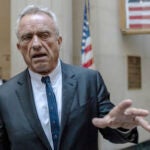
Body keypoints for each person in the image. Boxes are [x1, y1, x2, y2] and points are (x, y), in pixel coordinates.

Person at [0, 5, 150, 150]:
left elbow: (110, 125)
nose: (36, 44)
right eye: (27, 37)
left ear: (59, 41)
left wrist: (123, 127)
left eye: (44, 35)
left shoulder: (89, 81)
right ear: (19, 48)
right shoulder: (4, 95)